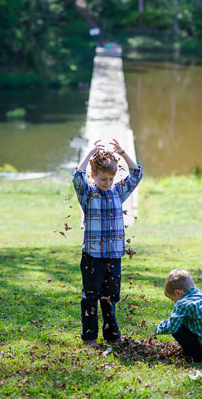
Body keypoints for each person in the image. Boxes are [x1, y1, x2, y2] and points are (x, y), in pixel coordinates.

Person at [71, 138, 143, 347]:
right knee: (90, 297)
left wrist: (123, 154)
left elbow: (136, 174)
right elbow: (76, 177)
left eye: (111, 179)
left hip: (113, 256)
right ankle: (89, 337)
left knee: (110, 297)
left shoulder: (117, 193)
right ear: (94, 176)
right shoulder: (88, 193)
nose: (107, 183)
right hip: (92, 257)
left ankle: (112, 336)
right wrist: (90, 153)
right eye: (103, 178)